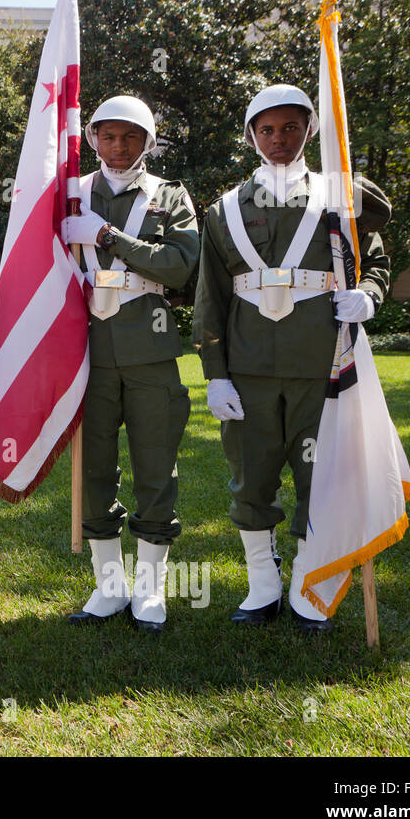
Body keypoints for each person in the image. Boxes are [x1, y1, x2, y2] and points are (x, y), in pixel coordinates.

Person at [192, 84, 390, 633]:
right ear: (252, 136)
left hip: (322, 362)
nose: (279, 139)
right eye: (267, 129)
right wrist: (215, 376)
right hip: (249, 369)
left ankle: (311, 579)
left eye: (292, 127)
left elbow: (375, 254)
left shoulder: (338, 196)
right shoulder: (225, 210)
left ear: (310, 131)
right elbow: (211, 297)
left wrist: (368, 297)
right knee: (250, 480)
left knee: (318, 475)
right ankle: (263, 583)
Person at [60, 96, 199, 633]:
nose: (119, 147)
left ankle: (150, 591)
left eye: (131, 137)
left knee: (155, 466)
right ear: (92, 138)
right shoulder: (70, 194)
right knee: (94, 469)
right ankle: (108, 588)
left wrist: (105, 236)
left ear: (148, 141)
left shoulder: (169, 195)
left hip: (150, 350)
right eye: (108, 136)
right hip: (86, 351)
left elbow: (180, 264)